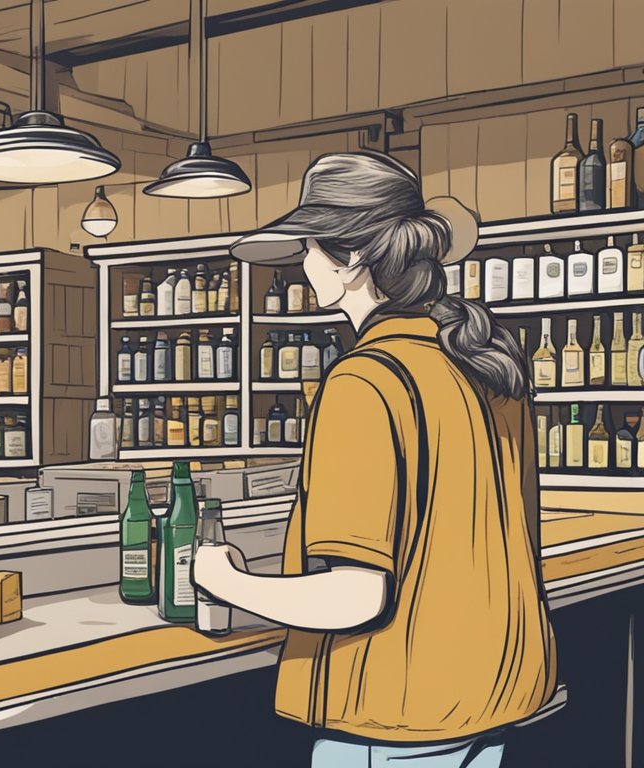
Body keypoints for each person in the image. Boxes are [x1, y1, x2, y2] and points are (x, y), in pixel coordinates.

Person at [192, 152, 556, 767]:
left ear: (353, 257)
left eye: (308, 247)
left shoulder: (363, 382)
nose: (302, 267)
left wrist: (224, 580)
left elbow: (355, 596)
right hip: (486, 695)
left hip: (394, 716)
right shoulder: (482, 362)